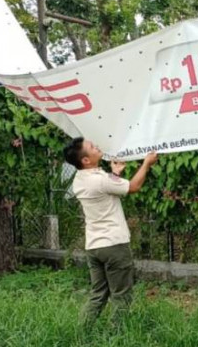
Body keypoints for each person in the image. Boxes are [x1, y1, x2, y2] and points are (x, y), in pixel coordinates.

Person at [63, 137, 158, 325]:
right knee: (121, 295)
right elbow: (133, 187)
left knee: (98, 294)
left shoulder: (80, 180)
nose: (96, 146)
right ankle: (118, 337)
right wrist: (147, 163)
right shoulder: (100, 180)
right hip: (114, 245)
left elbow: (106, 188)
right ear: (86, 160)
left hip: (94, 247)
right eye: (92, 147)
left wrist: (115, 174)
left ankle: (82, 331)